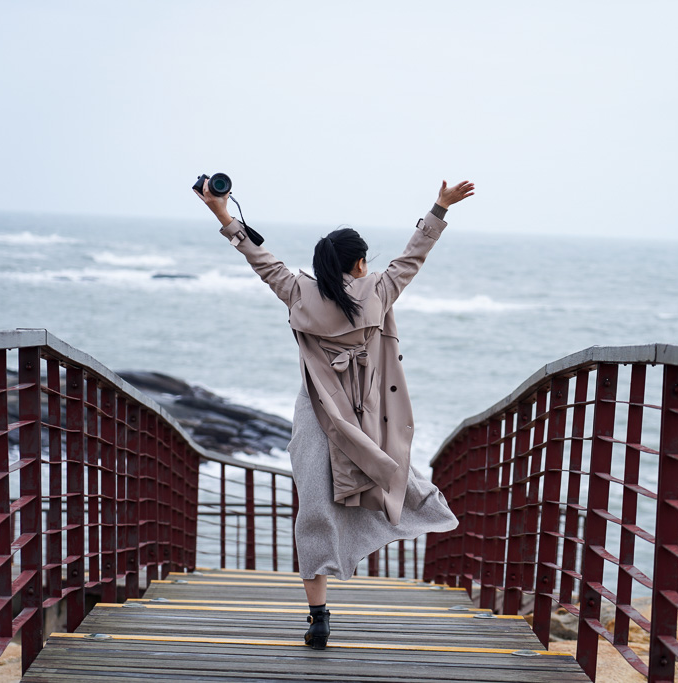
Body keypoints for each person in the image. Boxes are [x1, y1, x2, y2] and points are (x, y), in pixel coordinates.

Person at [195, 177, 475, 650]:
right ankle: (418, 520)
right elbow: (414, 256)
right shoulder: (380, 291)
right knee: (390, 478)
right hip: (367, 416)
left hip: (316, 417)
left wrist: (221, 212)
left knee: (316, 509)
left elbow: (256, 257)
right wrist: (439, 207)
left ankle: (318, 616)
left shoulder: (297, 292)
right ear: (361, 264)